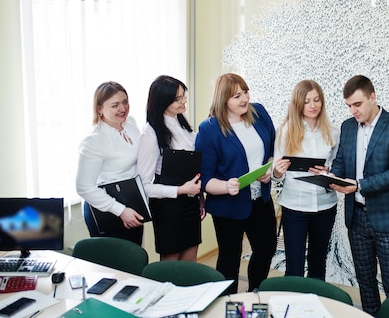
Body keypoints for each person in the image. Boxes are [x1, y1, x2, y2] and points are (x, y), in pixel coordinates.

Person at [327, 75, 389, 317]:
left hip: (388, 218)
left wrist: (358, 185)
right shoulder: (347, 126)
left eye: (358, 104)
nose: (353, 111)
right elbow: (342, 162)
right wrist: (331, 176)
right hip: (356, 218)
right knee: (365, 282)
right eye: (349, 106)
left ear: (373, 97)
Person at [195, 73, 277, 294]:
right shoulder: (209, 129)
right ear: (223, 100)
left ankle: (255, 296)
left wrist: (268, 168)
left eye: (245, 92)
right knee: (230, 258)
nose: (244, 99)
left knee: (266, 250)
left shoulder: (259, 113)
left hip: (260, 199)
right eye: (236, 96)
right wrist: (225, 186)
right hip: (227, 206)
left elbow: (271, 150)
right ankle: (227, 304)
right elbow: (204, 177)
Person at [271, 80, 340, 280]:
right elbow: (276, 174)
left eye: (316, 100)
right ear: (298, 103)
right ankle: (294, 307)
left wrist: (329, 171)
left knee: (318, 263)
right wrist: (278, 171)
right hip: (294, 205)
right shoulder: (285, 131)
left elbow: (338, 166)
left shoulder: (333, 131)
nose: (313, 105)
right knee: (295, 265)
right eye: (307, 101)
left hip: (325, 206)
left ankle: (314, 306)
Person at [137, 75, 204, 262]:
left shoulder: (181, 120)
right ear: (162, 101)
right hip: (167, 206)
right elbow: (145, 185)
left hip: (190, 200)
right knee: (171, 264)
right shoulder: (150, 134)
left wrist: (198, 197)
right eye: (177, 99)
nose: (183, 101)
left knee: (190, 261)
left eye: (184, 96)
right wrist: (181, 190)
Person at [76, 81, 144, 245]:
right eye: (115, 105)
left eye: (125, 102)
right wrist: (120, 211)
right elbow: (84, 187)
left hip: (132, 203)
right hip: (107, 208)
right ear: (99, 109)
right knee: (114, 266)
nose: (123, 109)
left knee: (134, 259)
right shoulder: (93, 141)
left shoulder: (131, 124)